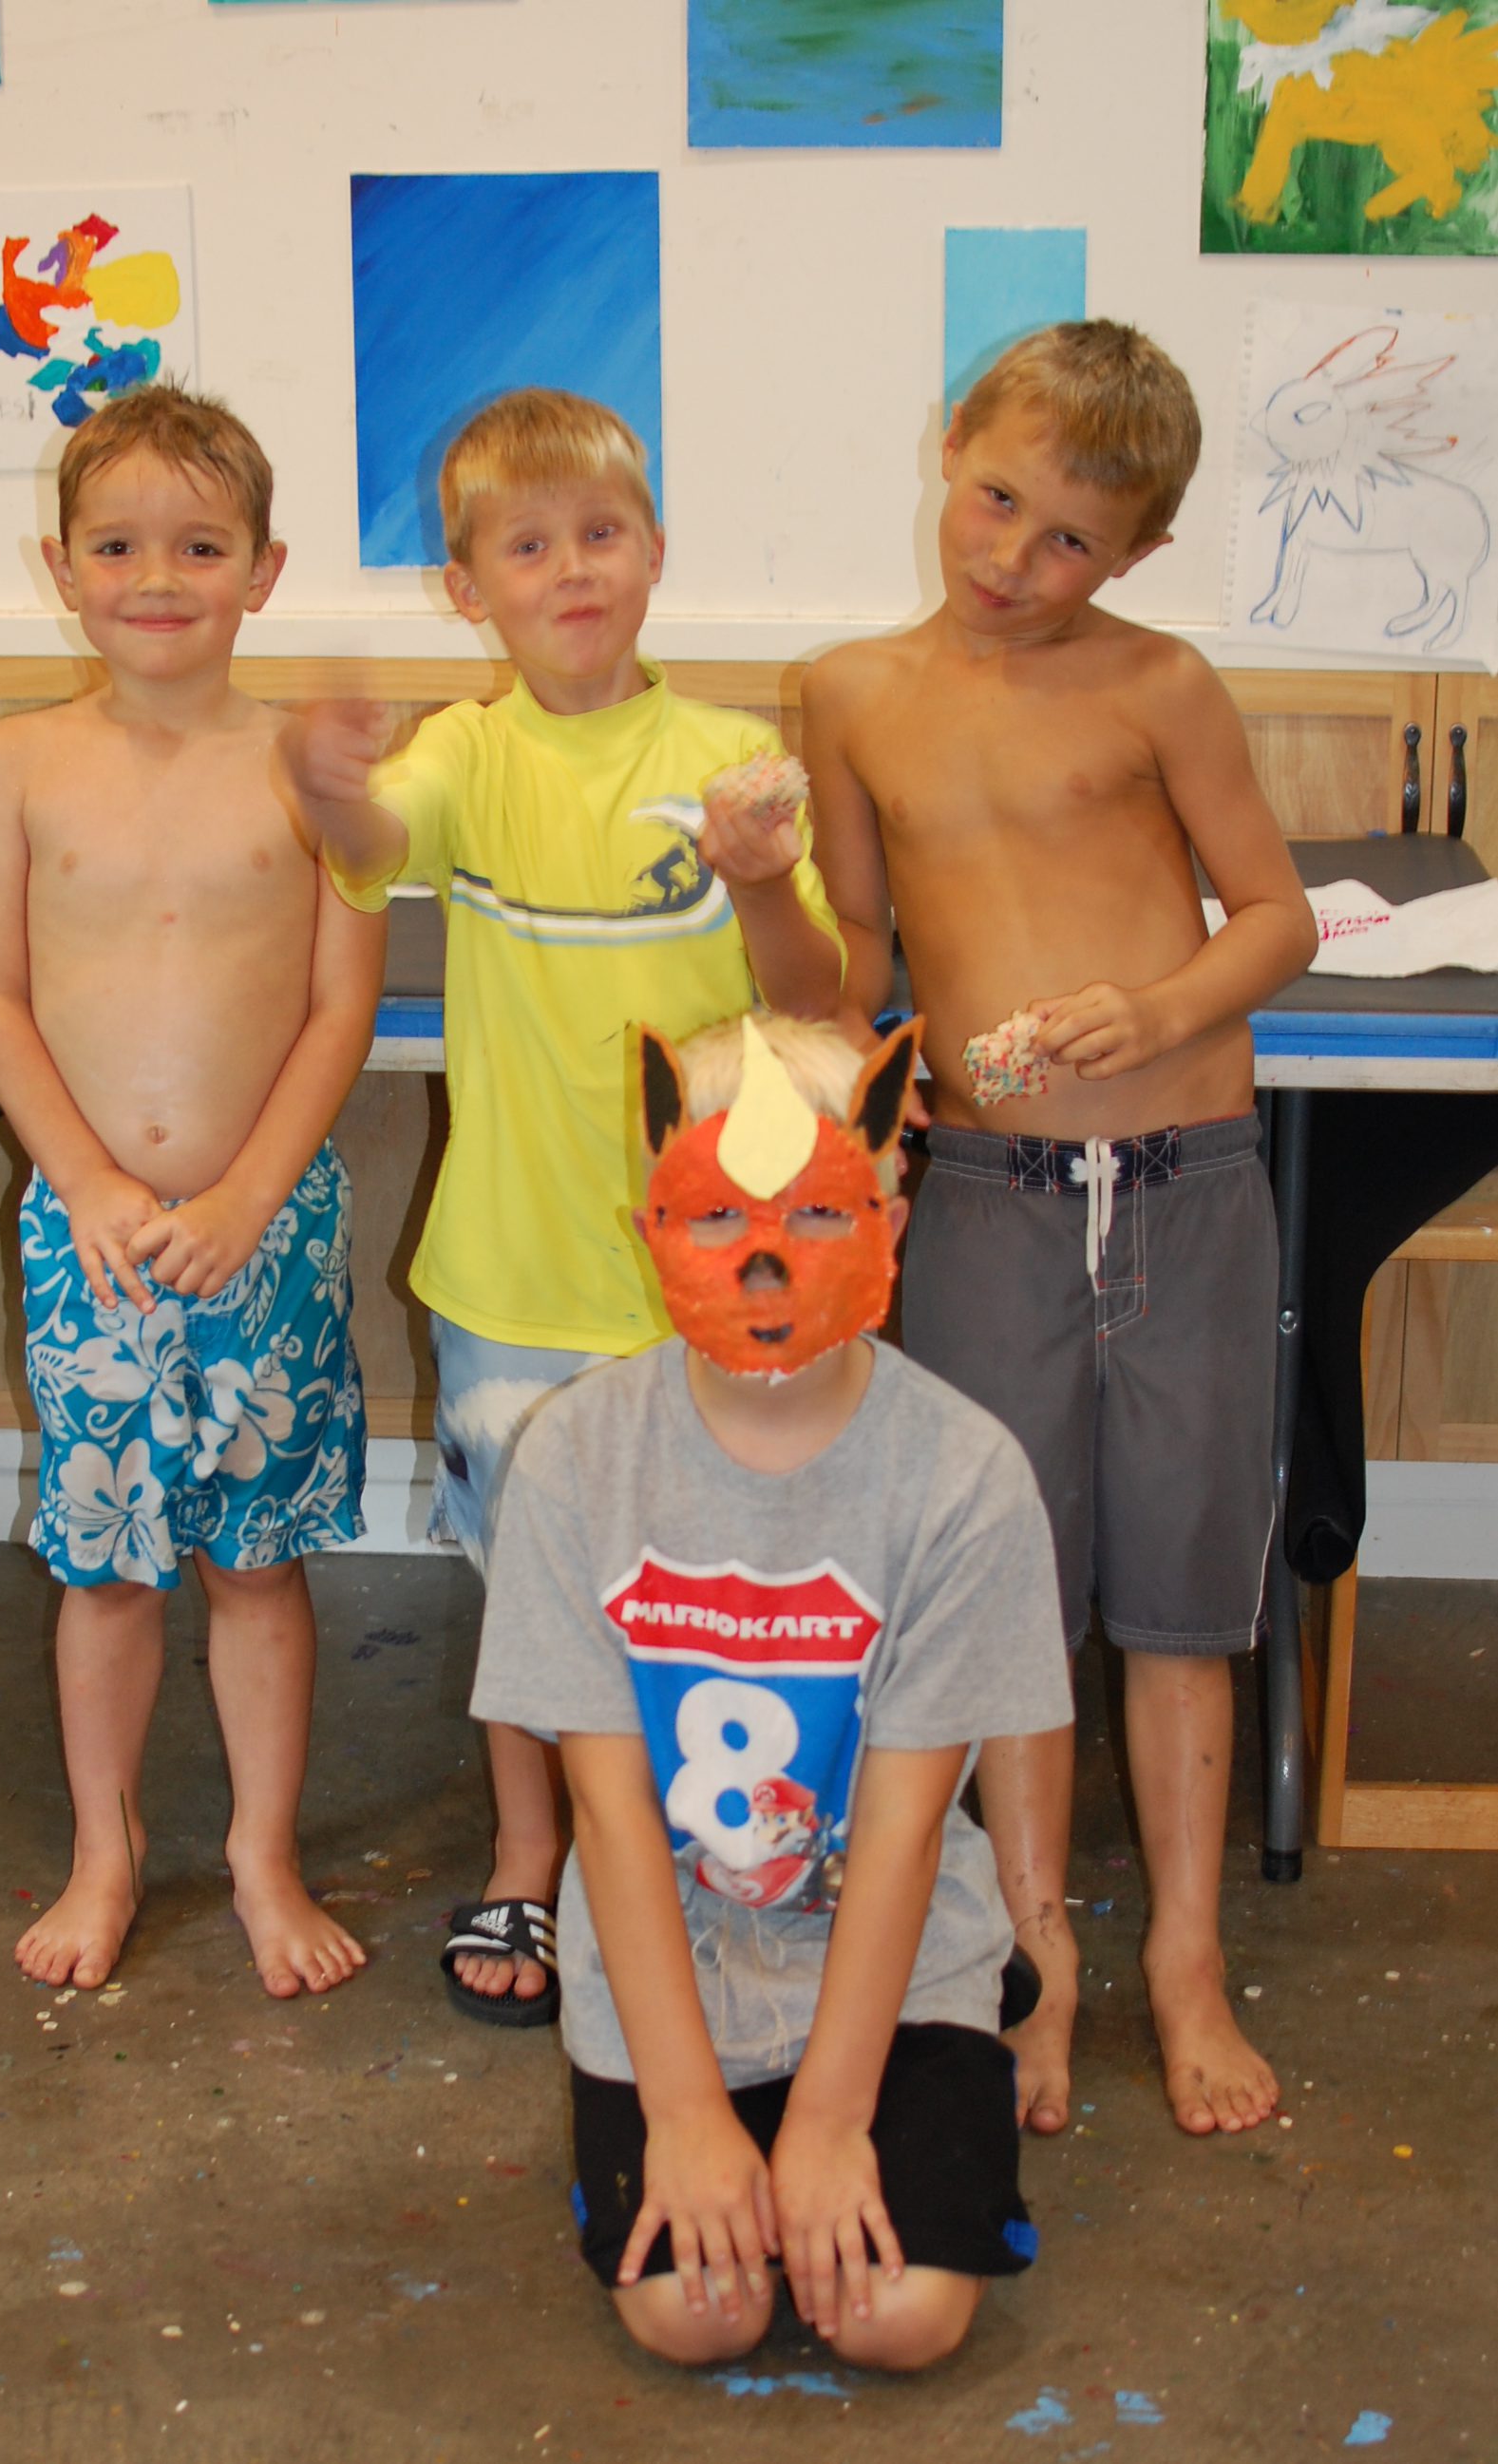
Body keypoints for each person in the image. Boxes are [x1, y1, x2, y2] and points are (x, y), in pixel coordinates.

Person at [801, 320, 1318, 2138]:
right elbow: (853, 966)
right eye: (998, 500)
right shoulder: (848, 692)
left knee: (1179, 1596)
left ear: (1138, 552)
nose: (1014, 558)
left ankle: (1185, 1957)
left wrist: (1159, 1007)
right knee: (1002, 1596)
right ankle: (1038, 1960)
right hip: (985, 1203)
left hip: (1186, 1184)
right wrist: (850, 1065)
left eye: (1071, 539)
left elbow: (1275, 915)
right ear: (953, 445)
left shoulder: (1160, 682)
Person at [277, 387, 844, 2023]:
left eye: (600, 533)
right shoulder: (465, 753)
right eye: (527, 547)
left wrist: (756, 876)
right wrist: (320, 779)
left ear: (655, 550)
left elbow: (814, 997)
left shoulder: (732, 762)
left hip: (713, 1283)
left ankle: (702, 1850)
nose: (572, 568)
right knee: (532, 1597)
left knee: (717, 1585)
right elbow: (371, 843)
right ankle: (529, 1853)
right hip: (511, 1277)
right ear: (469, 590)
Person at [470, 1010, 1073, 2368]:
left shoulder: (964, 1477)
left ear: (889, 1222)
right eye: (718, 1216)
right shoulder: (575, 1460)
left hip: (891, 1949)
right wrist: (686, 2113)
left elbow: (907, 1826)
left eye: (817, 1212)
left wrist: (831, 2119)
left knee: (898, 2316)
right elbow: (609, 1812)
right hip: (668, 1951)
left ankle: (965, 2043)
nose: (766, 1262)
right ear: (652, 1229)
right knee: (698, 2314)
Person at [0, 383, 384, 2000]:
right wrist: (81, 1183)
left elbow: (341, 1006)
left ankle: (263, 1851)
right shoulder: (16, 761)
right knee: (109, 1564)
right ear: (60, 566)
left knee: (256, 1563)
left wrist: (249, 1198)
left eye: (200, 546)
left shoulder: (310, 768)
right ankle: (107, 1845)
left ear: (263, 571)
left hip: (265, 1229)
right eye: (118, 545)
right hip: (93, 1242)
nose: (157, 577)